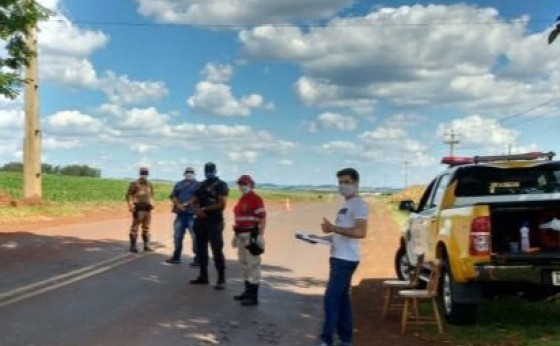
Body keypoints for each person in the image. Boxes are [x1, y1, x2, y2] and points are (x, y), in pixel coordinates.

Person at [318, 168, 368, 346]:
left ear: (355, 183)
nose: (343, 186)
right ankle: (346, 339)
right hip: (338, 256)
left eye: (346, 182)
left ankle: (326, 339)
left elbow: (361, 232)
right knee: (343, 300)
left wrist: (333, 228)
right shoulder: (345, 206)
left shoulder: (359, 205)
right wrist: (320, 238)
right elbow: (340, 234)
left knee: (331, 298)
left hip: (345, 260)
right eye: (340, 182)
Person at [189, 162, 229, 290]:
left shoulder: (221, 185)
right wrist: (196, 210)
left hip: (214, 221)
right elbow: (193, 200)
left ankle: (221, 279)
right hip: (200, 221)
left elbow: (222, 204)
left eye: (210, 169)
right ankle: (203, 276)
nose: (208, 172)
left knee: (217, 250)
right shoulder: (201, 185)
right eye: (207, 169)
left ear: (215, 170)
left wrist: (204, 209)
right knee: (201, 250)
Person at [231, 174, 266, 306]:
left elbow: (262, 218)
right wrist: (235, 234)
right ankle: (247, 292)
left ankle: (253, 296)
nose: (242, 186)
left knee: (253, 265)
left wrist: (260, 236)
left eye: (244, 184)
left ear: (251, 184)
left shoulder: (256, 199)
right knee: (244, 264)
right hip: (240, 235)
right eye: (240, 184)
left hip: (251, 235)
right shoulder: (242, 199)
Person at [165, 167, 199, 265]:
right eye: (187, 172)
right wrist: (179, 205)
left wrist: (187, 204)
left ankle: (197, 259)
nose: (189, 174)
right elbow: (173, 196)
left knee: (195, 236)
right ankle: (176, 257)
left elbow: (197, 196)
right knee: (177, 236)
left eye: (191, 172)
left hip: (192, 215)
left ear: (194, 174)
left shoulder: (198, 185)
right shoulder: (179, 184)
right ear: (184, 174)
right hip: (180, 215)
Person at [125, 166, 155, 253]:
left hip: (147, 209)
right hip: (138, 208)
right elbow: (129, 195)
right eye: (143, 173)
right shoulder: (135, 183)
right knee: (135, 227)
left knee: (146, 228)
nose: (144, 174)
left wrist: (153, 203)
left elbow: (151, 195)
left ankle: (146, 245)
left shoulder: (149, 184)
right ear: (140, 173)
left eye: (146, 173)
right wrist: (130, 205)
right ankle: (133, 246)